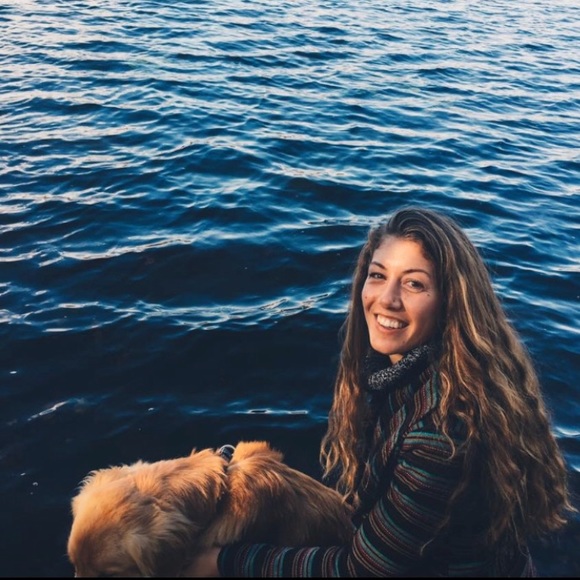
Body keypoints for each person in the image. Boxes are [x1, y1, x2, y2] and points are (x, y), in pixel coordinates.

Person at [187, 206, 574, 577]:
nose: (387, 299)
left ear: (451, 302)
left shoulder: (442, 431)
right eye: (377, 275)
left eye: (414, 283)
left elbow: (363, 569)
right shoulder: (417, 374)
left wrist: (225, 562)